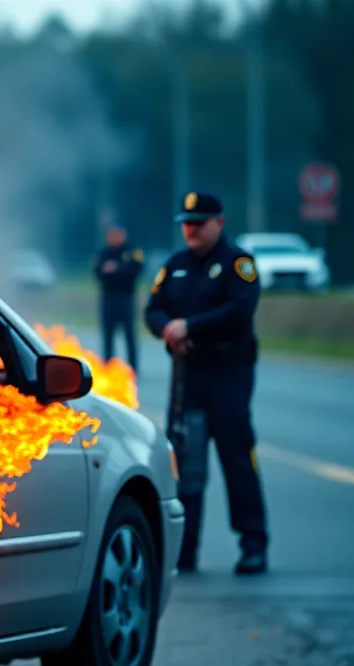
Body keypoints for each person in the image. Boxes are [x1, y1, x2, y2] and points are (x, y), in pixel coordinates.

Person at [144, 191, 269, 575]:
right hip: (188, 378)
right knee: (186, 465)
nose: (191, 229)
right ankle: (184, 552)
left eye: (199, 222)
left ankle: (253, 545)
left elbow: (241, 308)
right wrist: (167, 328)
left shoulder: (239, 264)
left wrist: (191, 326)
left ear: (219, 222)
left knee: (237, 459)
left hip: (228, 376)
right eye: (186, 223)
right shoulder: (176, 265)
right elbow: (152, 308)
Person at [93, 223, 145, 373]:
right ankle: (108, 367)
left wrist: (116, 269)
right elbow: (97, 272)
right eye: (111, 235)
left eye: (117, 234)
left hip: (126, 297)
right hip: (108, 298)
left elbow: (136, 270)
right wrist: (118, 270)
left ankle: (133, 368)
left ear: (123, 235)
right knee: (107, 334)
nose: (114, 238)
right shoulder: (103, 253)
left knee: (129, 334)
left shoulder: (132, 251)